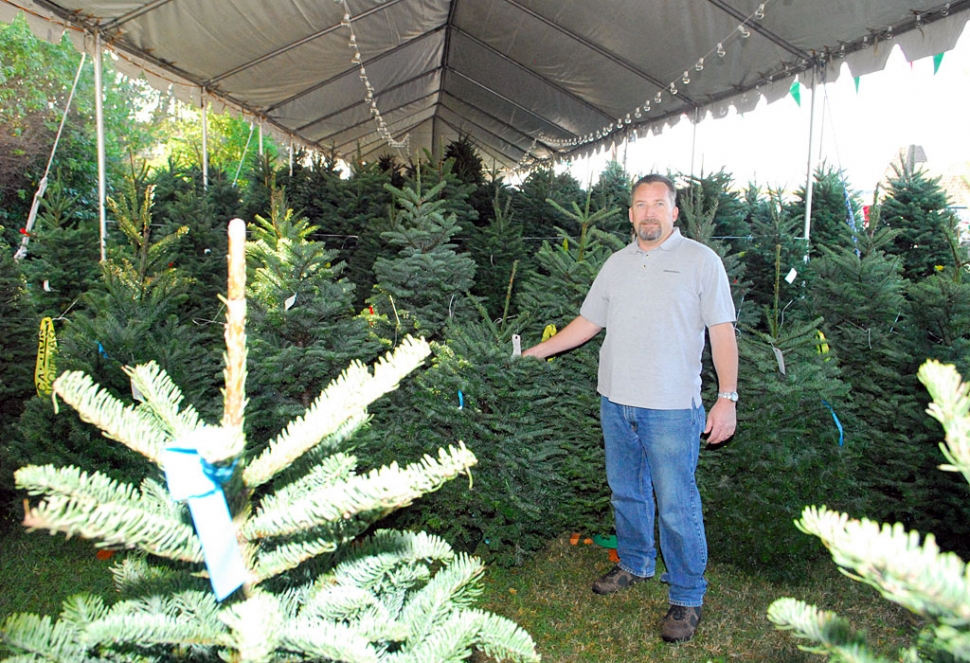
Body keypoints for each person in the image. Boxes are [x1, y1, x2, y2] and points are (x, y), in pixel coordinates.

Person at [521, 174, 738, 643]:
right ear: (630, 214)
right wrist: (533, 354)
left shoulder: (702, 262)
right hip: (616, 402)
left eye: (659, 204)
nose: (649, 213)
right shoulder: (616, 264)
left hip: (672, 409)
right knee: (626, 492)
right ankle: (636, 563)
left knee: (677, 505)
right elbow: (587, 322)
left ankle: (686, 594)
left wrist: (727, 397)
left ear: (674, 212)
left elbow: (722, 333)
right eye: (640, 205)